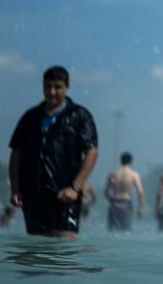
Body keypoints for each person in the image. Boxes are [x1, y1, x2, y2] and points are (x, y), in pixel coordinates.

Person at [8, 65, 99, 238]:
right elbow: (16, 154)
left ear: (67, 87)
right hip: (34, 194)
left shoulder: (79, 116)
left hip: (65, 194)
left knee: (63, 249)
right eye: (47, 87)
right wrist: (15, 189)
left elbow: (92, 152)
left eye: (57, 87)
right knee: (35, 253)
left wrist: (75, 187)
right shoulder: (30, 117)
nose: (52, 92)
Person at [105, 151, 145, 232]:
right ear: (131, 161)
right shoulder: (134, 174)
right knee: (125, 231)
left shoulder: (113, 174)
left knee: (112, 231)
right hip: (125, 204)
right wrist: (141, 208)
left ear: (121, 160)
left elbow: (105, 192)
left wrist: (111, 200)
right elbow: (140, 192)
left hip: (114, 204)